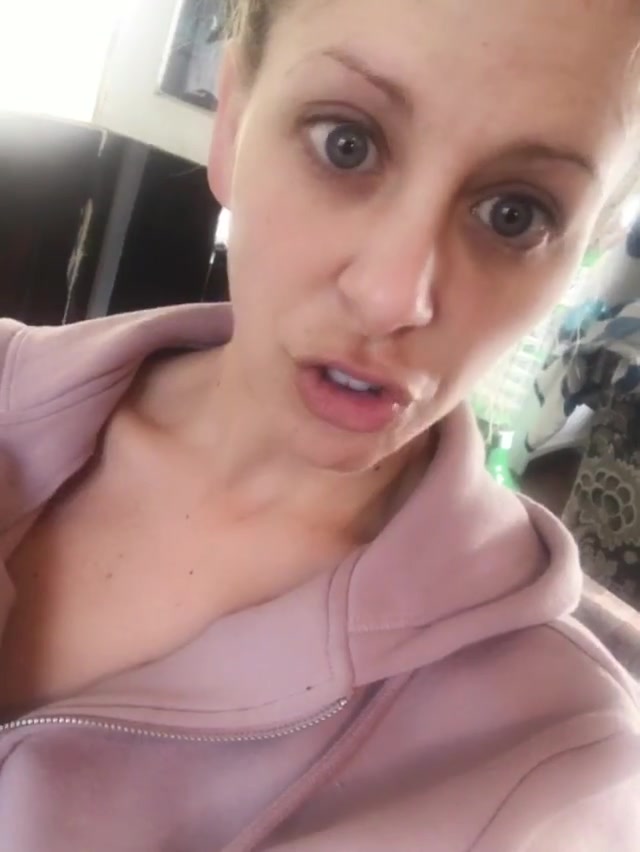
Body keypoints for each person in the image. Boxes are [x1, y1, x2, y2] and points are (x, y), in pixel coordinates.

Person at [0, 0, 639, 848]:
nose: (391, 297)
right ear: (233, 118)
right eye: (347, 143)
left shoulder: (555, 769)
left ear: (588, 246)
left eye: (515, 214)